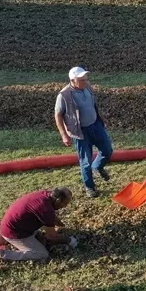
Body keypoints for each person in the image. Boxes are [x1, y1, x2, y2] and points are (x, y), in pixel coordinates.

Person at [55, 66, 114, 198]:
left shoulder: (87, 86)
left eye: (85, 78)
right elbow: (58, 115)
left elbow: (93, 104)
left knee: (107, 150)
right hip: (80, 131)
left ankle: (98, 167)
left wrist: (101, 118)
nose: (85, 81)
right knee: (85, 161)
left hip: (95, 125)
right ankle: (90, 187)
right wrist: (64, 135)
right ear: (73, 80)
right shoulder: (64, 95)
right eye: (81, 79)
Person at [0, 187, 75, 264]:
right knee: (41, 254)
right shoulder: (46, 210)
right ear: (58, 200)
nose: (65, 206)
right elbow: (51, 236)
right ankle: (2, 254)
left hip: (11, 223)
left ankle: (4, 237)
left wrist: (58, 222)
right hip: (14, 232)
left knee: (41, 237)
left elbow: (50, 215)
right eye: (64, 203)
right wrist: (69, 240)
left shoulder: (46, 194)